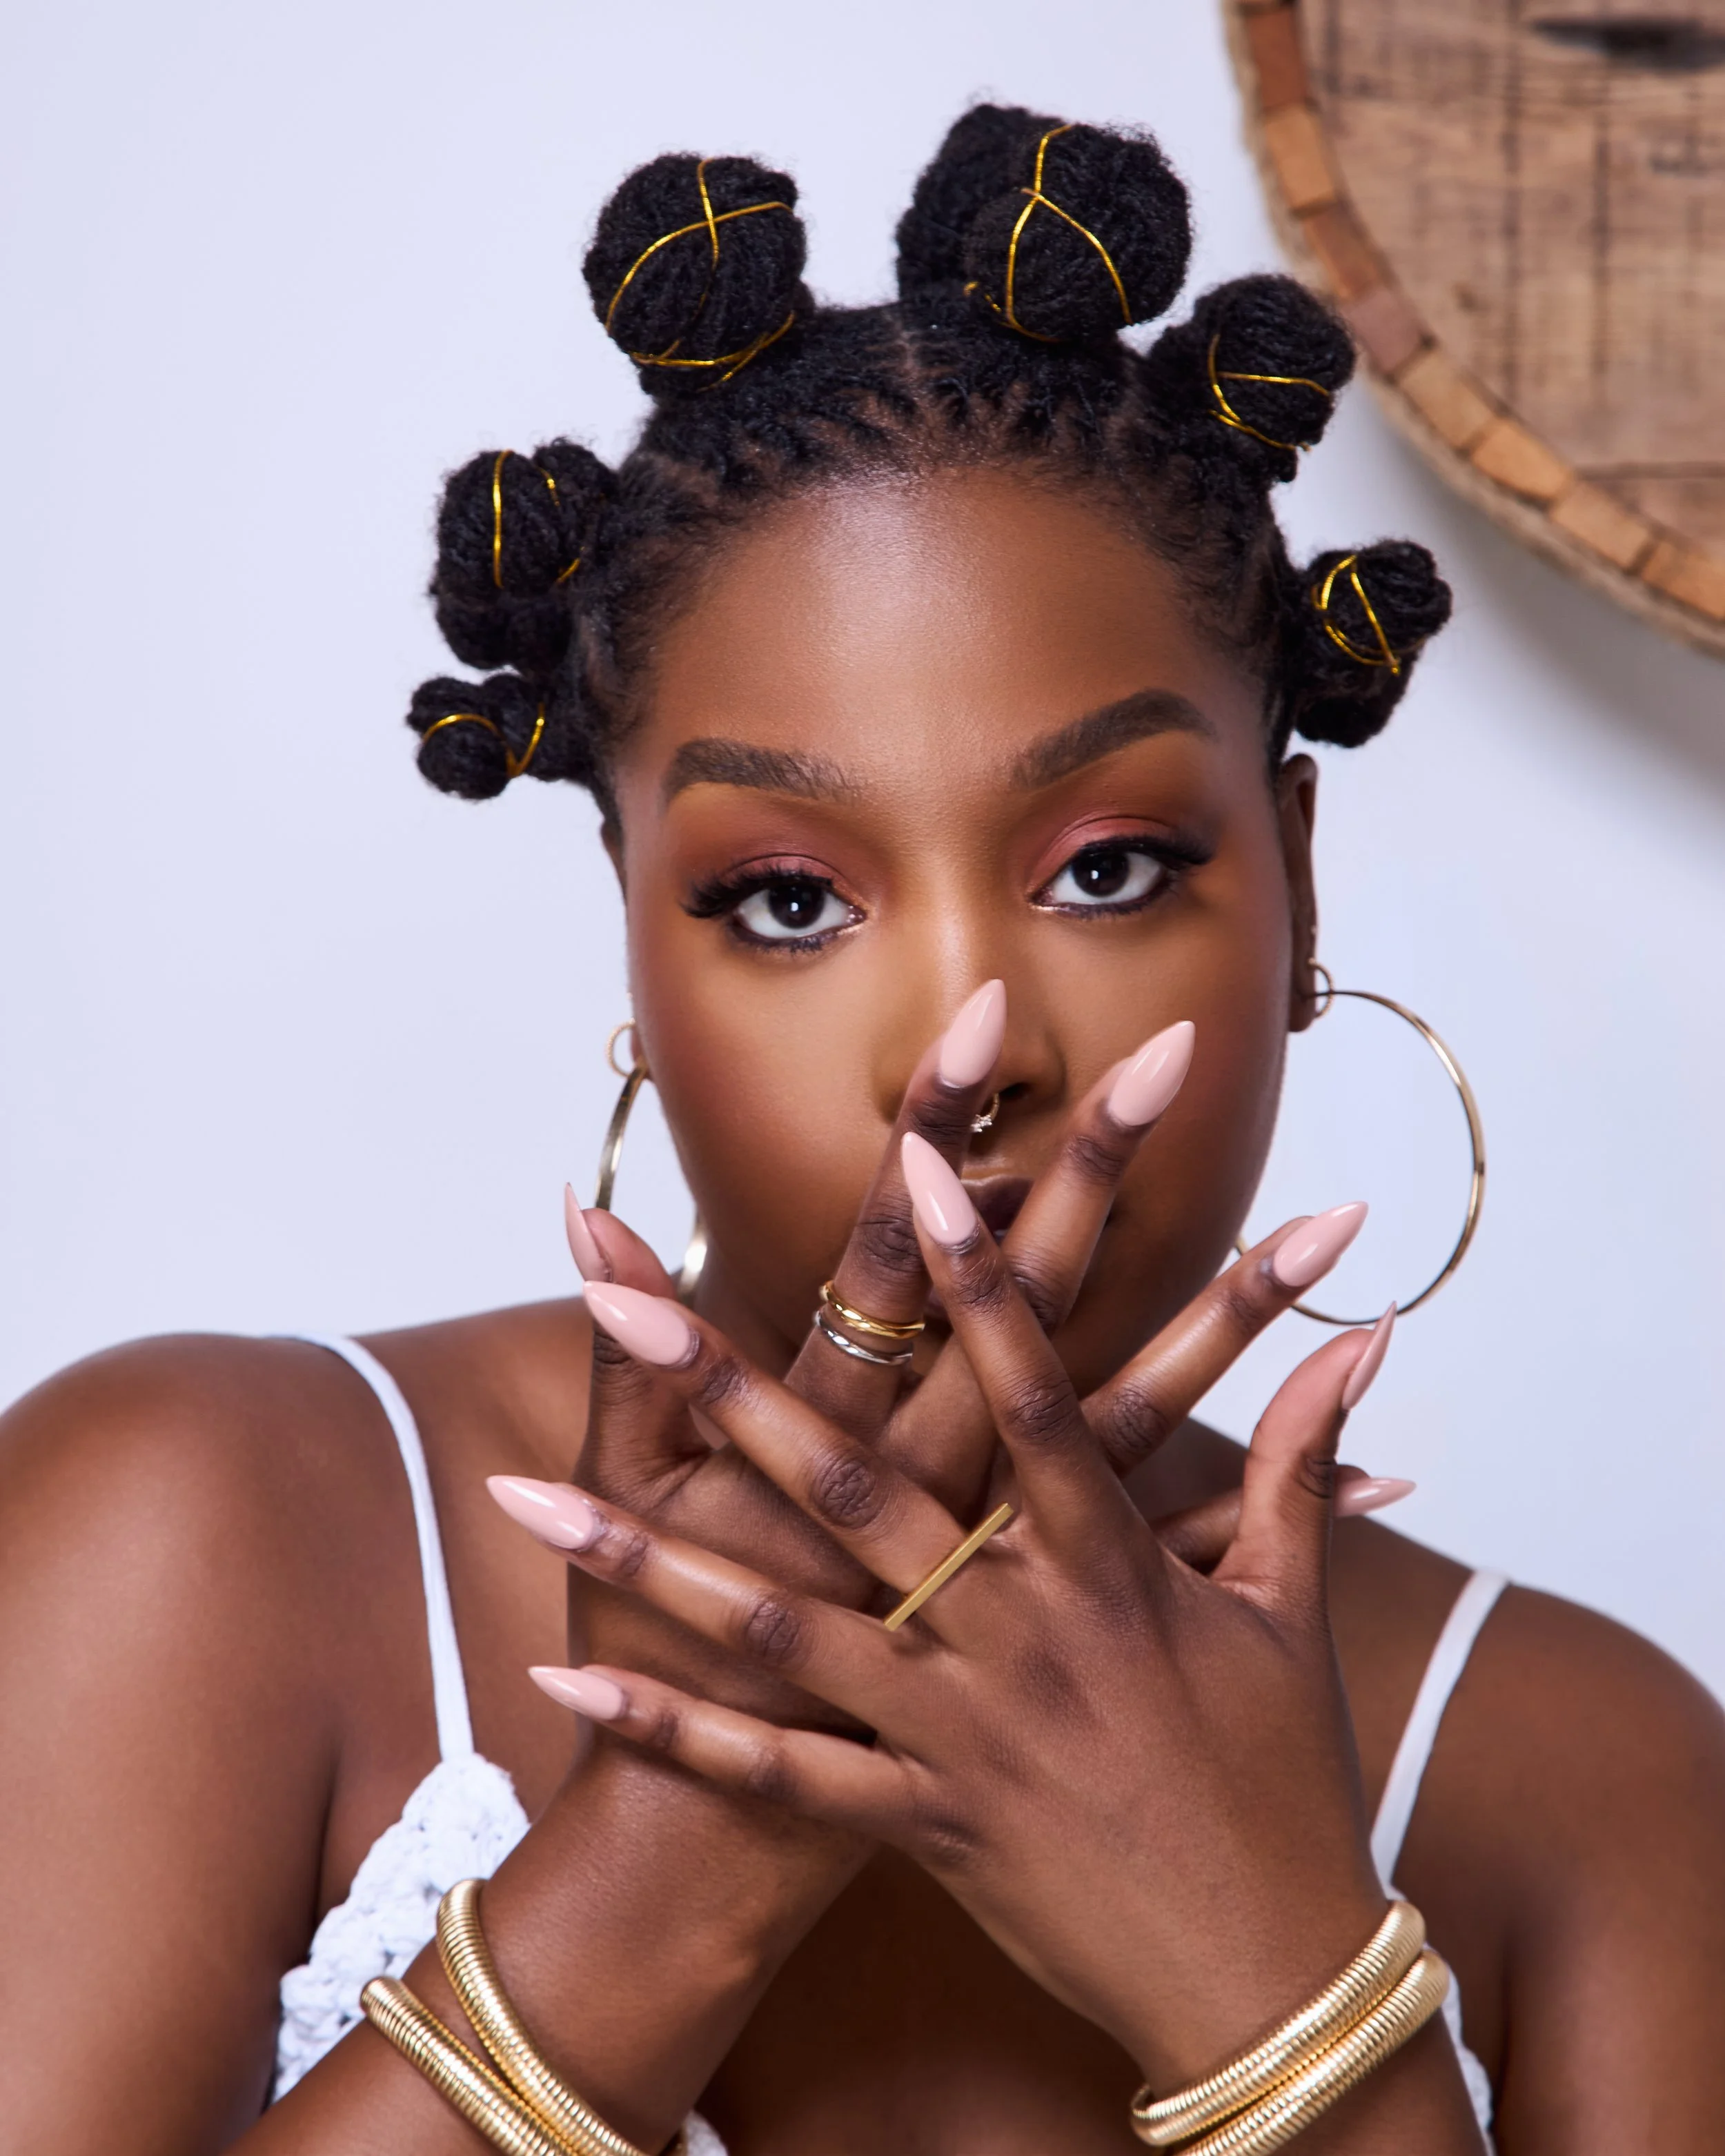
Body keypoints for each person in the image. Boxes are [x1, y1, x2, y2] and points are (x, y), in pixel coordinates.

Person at [1, 103, 1721, 2156]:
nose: (965, 1044)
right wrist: (663, 1858)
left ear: (1298, 883)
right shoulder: (194, 1532)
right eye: (789, 897)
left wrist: (1281, 1988)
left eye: (1104, 866)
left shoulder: (1593, 1783)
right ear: (636, 943)